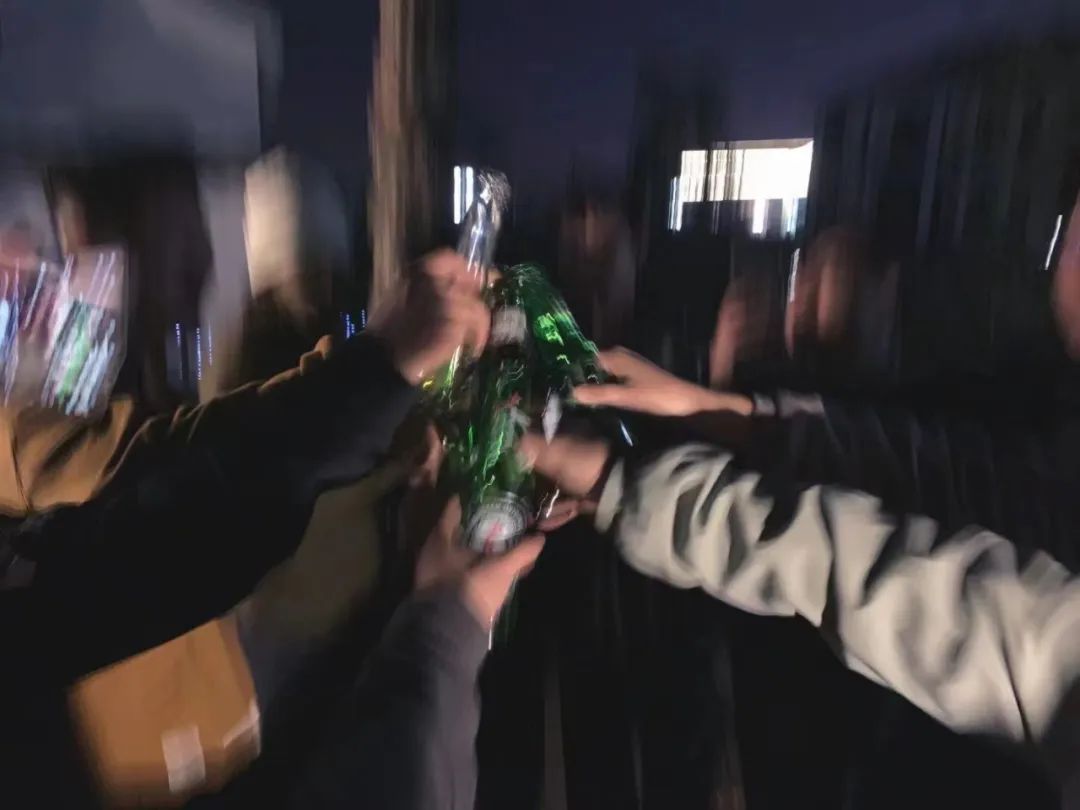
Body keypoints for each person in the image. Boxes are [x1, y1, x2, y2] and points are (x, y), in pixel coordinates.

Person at [0, 249, 489, 809]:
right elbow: (142, 513)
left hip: (228, 688)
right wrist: (440, 635)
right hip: (228, 678)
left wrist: (376, 382)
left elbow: (135, 510)